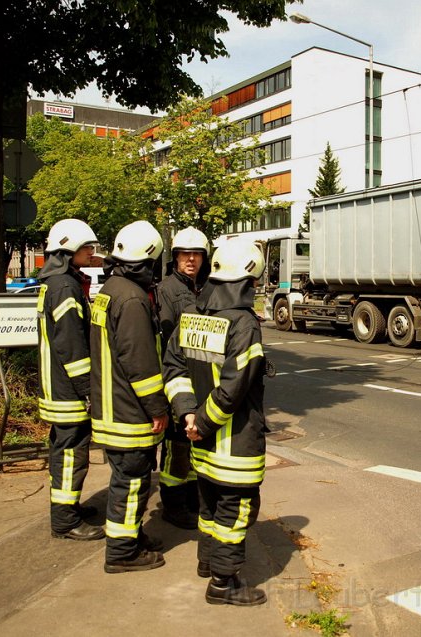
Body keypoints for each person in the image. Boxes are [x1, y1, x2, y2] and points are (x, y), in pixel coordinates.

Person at [163, 239, 268, 606]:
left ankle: (207, 563)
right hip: (233, 446)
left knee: (208, 505)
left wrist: (188, 413)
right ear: (248, 280)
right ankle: (224, 584)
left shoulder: (193, 316)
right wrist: (203, 422)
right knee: (235, 510)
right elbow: (233, 389)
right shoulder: (244, 324)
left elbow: (173, 367)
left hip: (200, 444)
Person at [90, 220, 168, 574]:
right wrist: (157, 406)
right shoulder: (133, 299)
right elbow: (140, 362)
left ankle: (130, 536)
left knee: (127, 477)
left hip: (110, 403)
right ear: (151, 259)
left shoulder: (110, 289)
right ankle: (122, 552)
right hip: (129, 412)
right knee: (132, 480)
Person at [37, 219, 105, 542]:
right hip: (67, 391)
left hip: (57, 387)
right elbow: (71, 345)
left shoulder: (56, 282)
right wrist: (87, 390)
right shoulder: (64, 286)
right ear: (69, 251)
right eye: (87, 248)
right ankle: (64, 519)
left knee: (64, 448)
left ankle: (69, 506)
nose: (92, 253)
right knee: (70, 452)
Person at [156, 226, 210, 529]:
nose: (191, 259)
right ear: (175, 257)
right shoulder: (167, 290)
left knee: (193, 445)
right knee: (177, 447)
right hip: (177, 378)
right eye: (184, 254)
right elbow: (167, 342)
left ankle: (191, 500)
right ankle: (173, 506)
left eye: (196, 254)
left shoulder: (205, 288)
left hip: (201, 380)